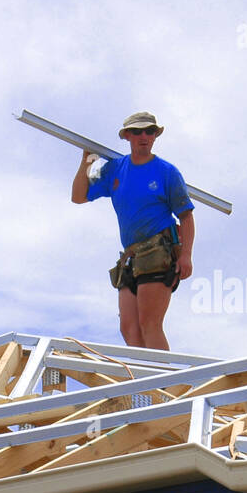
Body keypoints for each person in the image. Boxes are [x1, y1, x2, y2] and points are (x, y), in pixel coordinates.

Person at [72, 111, 195, 351]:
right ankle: (146, 386)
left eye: (149, 131)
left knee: (150, 323)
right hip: (131, 256)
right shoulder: (116, 169)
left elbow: (186, 216)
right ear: (127, 135)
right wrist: (87, 160)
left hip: (158, 251)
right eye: (137, 131)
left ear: (155, 136)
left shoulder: (166, 172)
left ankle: (163, 385)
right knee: (129, 328)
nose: (144, 136)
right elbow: (78, 196)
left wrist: (186, 255)